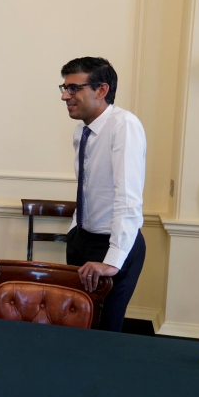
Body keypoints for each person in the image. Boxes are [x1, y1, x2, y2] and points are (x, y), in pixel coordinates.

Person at [60, 57, 146, 332]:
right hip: (82, 240)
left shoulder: (124, 125)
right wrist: (75, 231)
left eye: (73, 88)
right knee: (78, 325)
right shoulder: (81, 131)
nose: (65, 96)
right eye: (63, 87)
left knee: (105, 333)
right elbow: (88, 189)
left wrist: (112, 261)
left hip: (113, 244)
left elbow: (127, 199)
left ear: (101, 90)